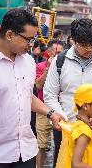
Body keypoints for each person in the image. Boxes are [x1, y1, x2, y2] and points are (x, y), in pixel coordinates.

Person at [43, 18, 92, 167]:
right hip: (66, 129)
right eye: (84, 45)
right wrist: (62, 117)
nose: (90, 49)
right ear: (73, 41)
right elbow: (50, 94)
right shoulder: (60, 61)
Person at [0, 8, 63, 167]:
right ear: (9, 35)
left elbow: (27, 95)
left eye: (33, 39)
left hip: (26, 150)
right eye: (28, 39)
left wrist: (51, 113)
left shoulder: (28, 62)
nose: (31, 45)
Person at [56, 84, 92, 168]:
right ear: (85, 106)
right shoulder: (83, 132)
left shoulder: (82, 125)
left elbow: (87, 154)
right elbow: (76, 164)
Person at [35, 40, 64, 168]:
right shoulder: (40, 66)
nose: (60, 55)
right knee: (41, 145)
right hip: (43, 109)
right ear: (49, 53)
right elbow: (38, 85)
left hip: (61, 110)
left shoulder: (65, 65)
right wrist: (48, 68)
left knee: (61, 144)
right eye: (57, 52)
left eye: (62, 53)